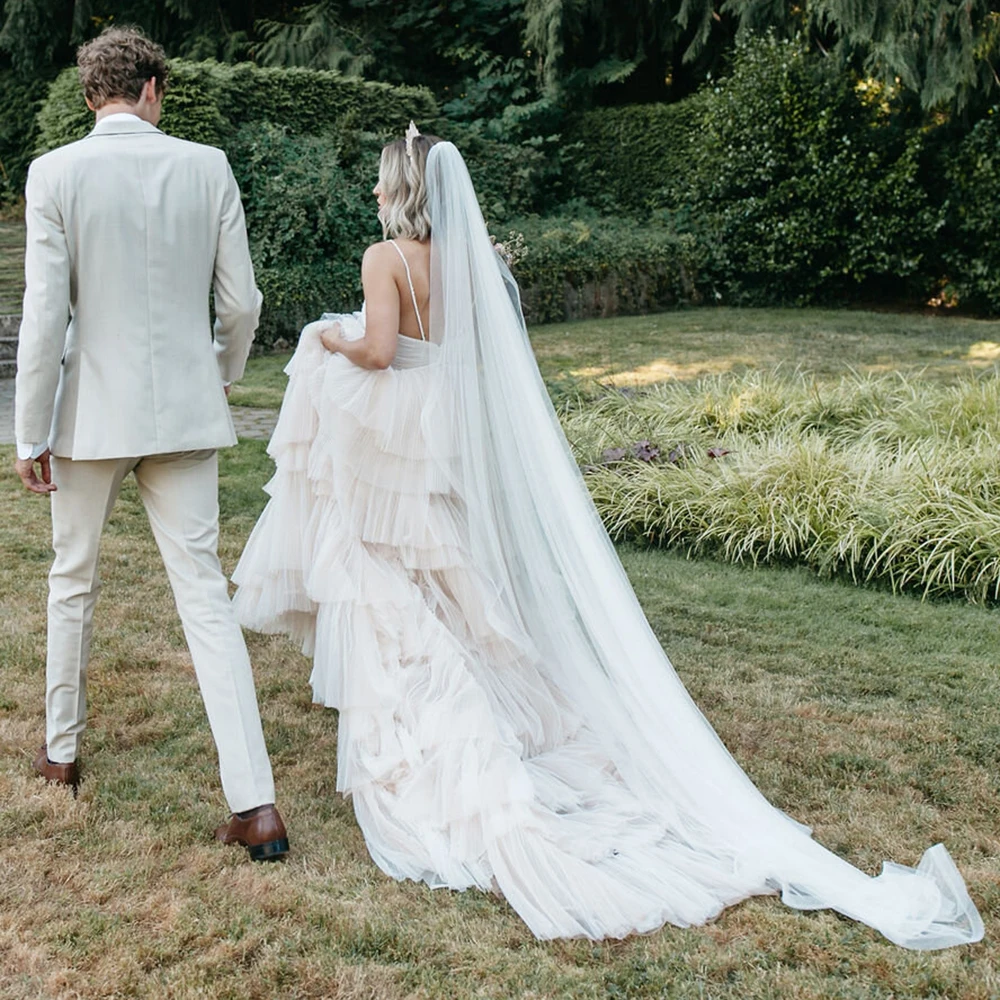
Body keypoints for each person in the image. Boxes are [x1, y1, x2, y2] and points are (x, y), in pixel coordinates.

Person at [233, 125, 983, 942]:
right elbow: (447, 352)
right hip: (438, 430)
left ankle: (433, 746)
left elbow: (379, 351)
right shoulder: (469, 263)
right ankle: (468, 714)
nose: (374, 197)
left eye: (380, 185)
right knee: (442, 575)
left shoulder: (388, 259)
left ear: (400, 190)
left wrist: (329, 337)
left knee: (388, 582)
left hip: (391, 428)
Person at [13, 26, 288, 862]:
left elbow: (44, 313)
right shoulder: (207, 166)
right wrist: (222, 372)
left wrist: (30, 429)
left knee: (72, 582)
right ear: (153, 89)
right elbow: (241, 303)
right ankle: (256, 805)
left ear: (91, 94)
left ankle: (61, 753)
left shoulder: (54, 173)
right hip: (182, 413)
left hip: (91, 415)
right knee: (204, 596)